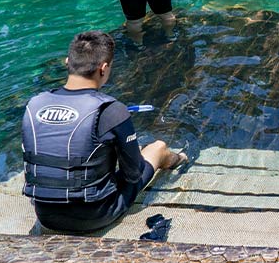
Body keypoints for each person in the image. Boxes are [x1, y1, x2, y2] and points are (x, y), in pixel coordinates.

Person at [21, 31, 186, 233]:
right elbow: (133, 174)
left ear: (67, 62)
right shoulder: (112, 110)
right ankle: (180, 158)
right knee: (157, 148)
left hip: (45, 215)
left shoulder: (35, 104)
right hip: (94, 216)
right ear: (104, 68)